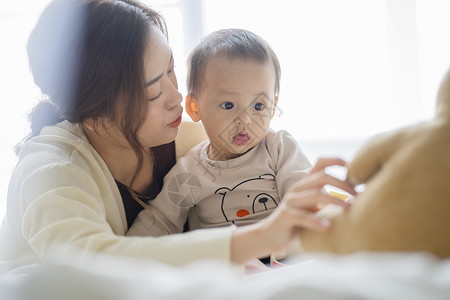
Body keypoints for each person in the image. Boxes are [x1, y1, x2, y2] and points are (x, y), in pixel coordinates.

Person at [0, 0, 355, 275]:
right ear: (94, 116)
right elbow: (89, 265)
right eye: (153, 93)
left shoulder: (192, 140)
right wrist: (255, 239)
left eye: (171, 70)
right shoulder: (51, 169)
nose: (176, 98)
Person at [127, 29, 312, 240]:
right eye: (228, 105)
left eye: (259, 105)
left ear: (273, 107)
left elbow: (304, 196)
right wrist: (125, 255)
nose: (246, 120)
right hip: (227, 262)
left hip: (282, 253)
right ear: (194, 108)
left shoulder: (279, 148)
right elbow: (160, 220)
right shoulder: (190, 171)